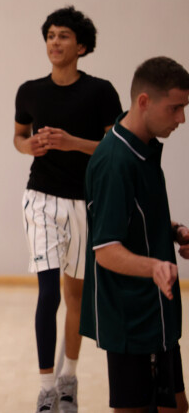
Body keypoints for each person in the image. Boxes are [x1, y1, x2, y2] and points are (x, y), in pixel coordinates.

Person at [13, 6, 123, 412]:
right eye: (50, 35)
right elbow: (18, 136)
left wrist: (71, 142)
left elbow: (115, 148)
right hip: (40, 199)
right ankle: (46, 388)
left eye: (63, 36)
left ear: (81, 46)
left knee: (75, 295)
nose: (55, 42)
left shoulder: (101, 92)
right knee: (48, 292)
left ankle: (68, 381)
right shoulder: (29, 91)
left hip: (84, 202)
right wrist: (30, 146)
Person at [81, 56, 189, 413]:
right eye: (175, 108)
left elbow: (135, 218)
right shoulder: (115, 161)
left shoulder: (143, 148)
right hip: (131, 319)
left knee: (176, 407)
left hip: (157, 313)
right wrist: (155, 266)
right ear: (144, 101)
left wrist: (175, 231)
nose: (181, 119)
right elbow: (106, 250)